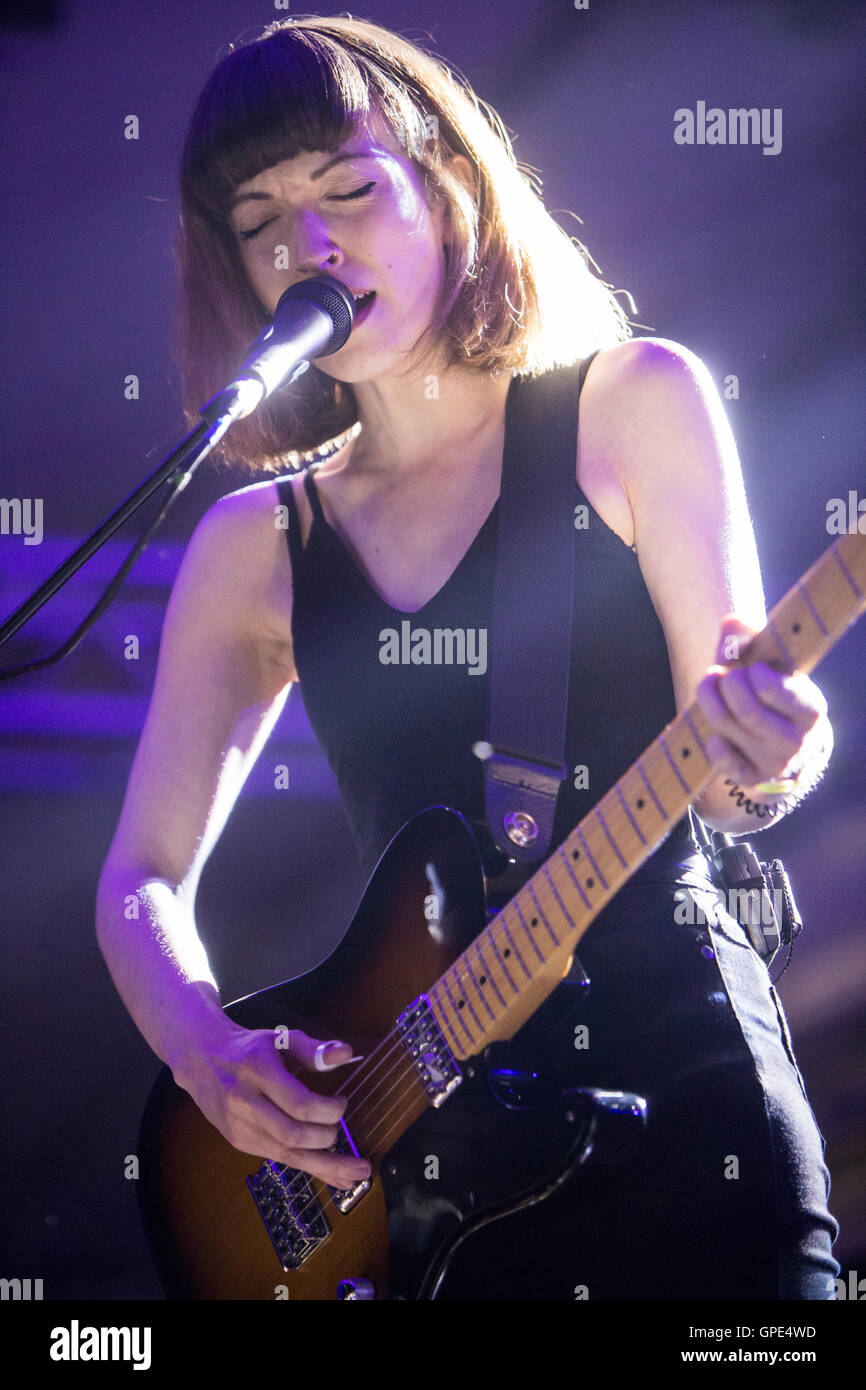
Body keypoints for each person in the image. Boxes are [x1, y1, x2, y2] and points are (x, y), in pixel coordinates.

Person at [95, 16, 840, 1299]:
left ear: (447, 190)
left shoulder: (631, 402)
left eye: (347, 188)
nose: (307, 246)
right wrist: (206, 1056)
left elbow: (733, 766)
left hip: (681, 1097)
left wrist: (776, 744)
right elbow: (139, 877)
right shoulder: (257, 542)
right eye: (261, 219)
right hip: (427, 1178)